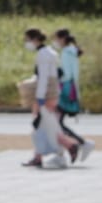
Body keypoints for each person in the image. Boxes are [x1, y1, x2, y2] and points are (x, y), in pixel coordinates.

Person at [23, 28, 77, 169]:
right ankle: (41, 156)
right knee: (46, 125)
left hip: (46, 94)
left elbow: (44, 77)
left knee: (43, 126)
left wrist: (40, 96)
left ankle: (67, 147)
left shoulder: (43, 55)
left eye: (27, 40)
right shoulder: (50, 52)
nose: (26, 43)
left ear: (35, 39)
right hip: (53, 92)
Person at [53, 28, 94, 164]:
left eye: (57, 39)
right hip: (70, 88)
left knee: (55, 123)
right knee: (56, 123)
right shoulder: (72, 52)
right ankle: (64, 151)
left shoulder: (66, 53)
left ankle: (78, 144)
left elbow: (67, 74)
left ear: (63, 39)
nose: (55, 42)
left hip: (65, 89)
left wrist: (56, 77)